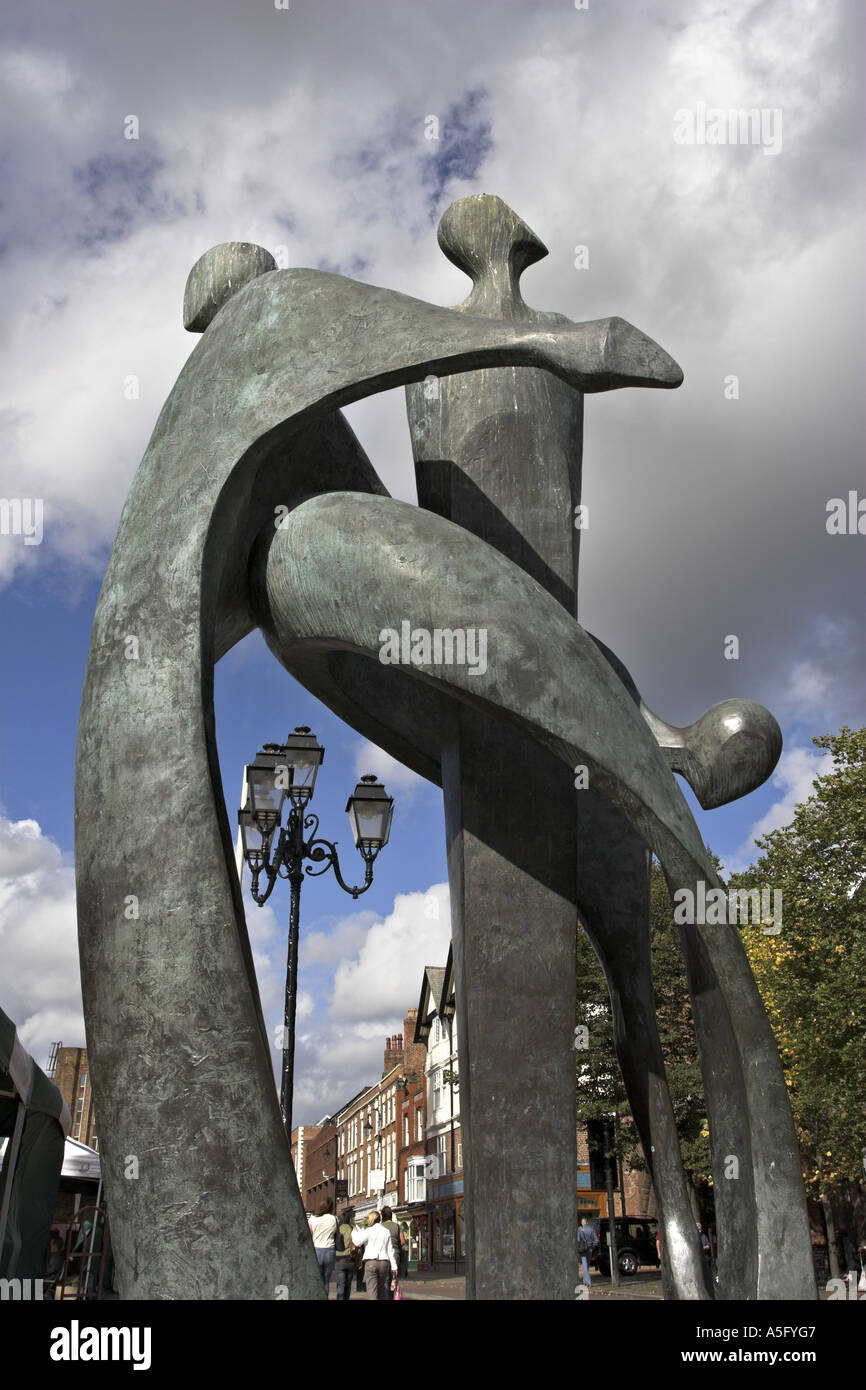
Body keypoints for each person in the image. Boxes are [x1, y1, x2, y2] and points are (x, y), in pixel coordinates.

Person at [352, 1211, 397, 1300]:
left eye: (368, 1218)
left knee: (372, 1291)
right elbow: (390, 1251)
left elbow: (357, 1242)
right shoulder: (386, 1231)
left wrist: (354, 1232)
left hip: (371, 1262)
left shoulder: (369, 1230)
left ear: (372, 1219)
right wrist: (394, 1268)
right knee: (381, 1292)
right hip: (384, 1263)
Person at [309, 1199, 338, 1296]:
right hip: (329, 1250)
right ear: (331, 1208)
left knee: (316, 1280)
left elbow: (309, 1234)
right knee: (326, 1280)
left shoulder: (312, 1219)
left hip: (316, 1250)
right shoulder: (333, 1219)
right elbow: (336, 1233)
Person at [380, 1206, 405, 1300]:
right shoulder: (397, 1226)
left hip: (384, 1254)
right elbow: (402, 1241)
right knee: (394, 1279)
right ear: (391, 1215)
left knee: (386, 1280)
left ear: (382, 1216)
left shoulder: (381, 1226)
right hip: (395, 1254)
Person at [334, 1208, 356, 1301]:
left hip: (339, 1260)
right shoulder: (352, 1229)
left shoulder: (337, 1229)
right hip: (350, 1260)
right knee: (348, 1285)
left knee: (340, 1284)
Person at [578, 1216, 595, 1288]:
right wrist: (592, 1246)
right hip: (590, 1249)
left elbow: (578, 1240)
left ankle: (588, 1282)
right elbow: (596, 1240)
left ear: (582, 1223)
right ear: (587, 1223)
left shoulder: (580, 1229)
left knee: (585, 1266)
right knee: (587, 1266)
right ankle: (585, 1282)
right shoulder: (591, 1229)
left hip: (583, 1249)